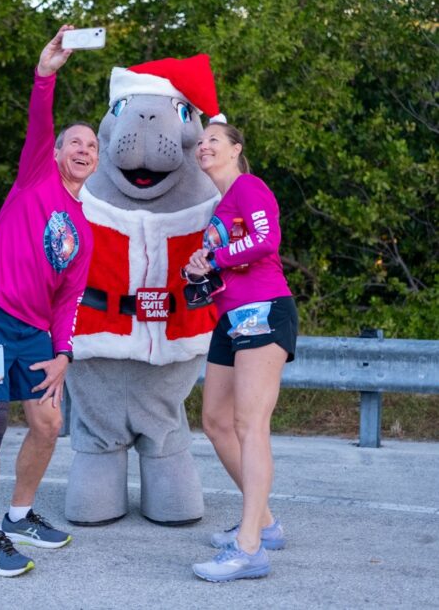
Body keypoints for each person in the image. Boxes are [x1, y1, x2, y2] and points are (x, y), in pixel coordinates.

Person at [0, 25, 99, 577]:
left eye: (92, 146)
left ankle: (19, 516)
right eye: (75, 142)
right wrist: (46, 73)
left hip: (33, 331)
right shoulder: (36, 176)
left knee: (47, 423)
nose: (84, 149)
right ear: (57, 153)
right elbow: (41, 118)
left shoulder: (85, 229)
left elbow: (70, 300)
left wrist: (63, 354)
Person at [183, 122, 298, 582]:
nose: (203, 145)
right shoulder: (219, 207)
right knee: (215, 422)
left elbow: (266, 241)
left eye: (214, 139)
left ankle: (249, 548)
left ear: (236, 149)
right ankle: (265, 524)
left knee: (251, 425)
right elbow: (227, 258)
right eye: (200, 141)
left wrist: (214, 258)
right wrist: (198, 268)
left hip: (265, 310)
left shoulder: (249, 186)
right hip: (231, 317)